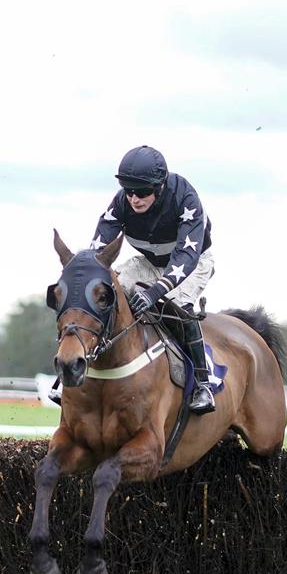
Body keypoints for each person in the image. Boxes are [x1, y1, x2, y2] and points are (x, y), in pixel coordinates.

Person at [91, 145, 216, 413]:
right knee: (104, 290)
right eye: (129, 191)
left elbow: (185, 257)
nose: (135, 199)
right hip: (149, 262)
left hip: (191, 262)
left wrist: (155, 292)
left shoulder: (186, 199)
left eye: (143, 192)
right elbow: (98, 251)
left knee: (177, 307)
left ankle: (203, 384)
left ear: (159, 187)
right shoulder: (122, 203)